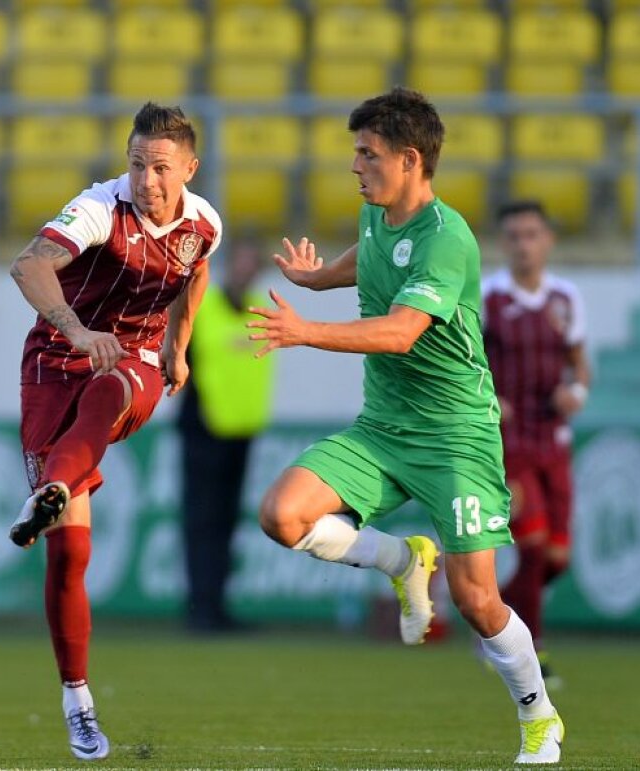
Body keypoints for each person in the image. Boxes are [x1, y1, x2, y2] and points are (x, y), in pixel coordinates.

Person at [246, 88, 563, 765]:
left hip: (456, 437)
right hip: (383, 427)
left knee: (478, 601)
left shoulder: (446, 239)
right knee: (282, 514)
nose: (355, 166)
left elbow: (399, 332)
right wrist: (314, 279)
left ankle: (539, 716)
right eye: (355, 152)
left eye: (368, 154)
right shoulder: (376, 215)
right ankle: (401, 558)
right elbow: (366, 261)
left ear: (411, 159)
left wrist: (306, 330)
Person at [8, 102, 221, 761]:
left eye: (160, 168)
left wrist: (179, 348)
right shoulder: (99, 208)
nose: (147, 180)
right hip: (53, 362)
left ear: (189, 167)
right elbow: (28, 265)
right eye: (136, 165)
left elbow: (196, 273)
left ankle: (52, 486)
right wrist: (76, 330)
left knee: (112, 386)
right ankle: (78, 702)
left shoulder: (204, 222)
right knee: (70, 557)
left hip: (132, 362)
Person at [482, 200, 590, 689]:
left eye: (532, 234)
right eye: (515, 235)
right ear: (506, 243)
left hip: (554, 438)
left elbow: (578, 361)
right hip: (510, 441)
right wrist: (489, 397)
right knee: (533, 545)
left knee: (557, 558)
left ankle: (490, 613)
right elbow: (468, 362)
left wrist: (577, 390)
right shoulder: (489, 297)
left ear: (548, 240)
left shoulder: (565, 297)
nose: (524, 244)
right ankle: (532, 652)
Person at [176, 239, 275, 633]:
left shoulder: (259, 311)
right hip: (203, 428)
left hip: (240, 430)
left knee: (227, 521)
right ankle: (201, 607)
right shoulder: (202, 308)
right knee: (202, 519)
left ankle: (216, 605)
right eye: (241, 262)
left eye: (252, 264)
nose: (245, 272)